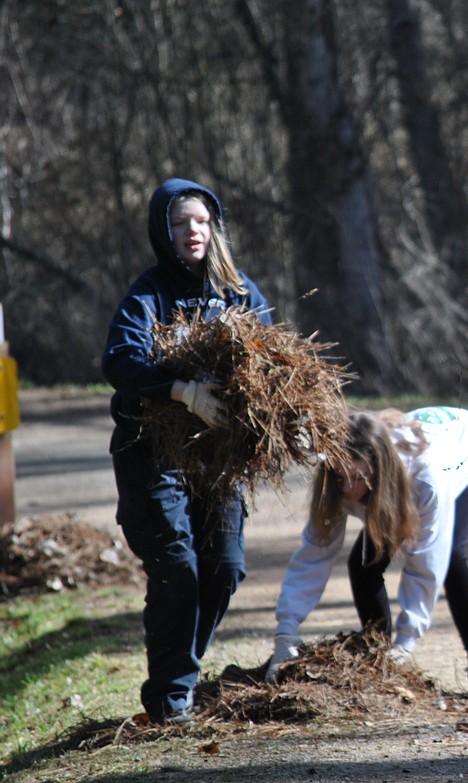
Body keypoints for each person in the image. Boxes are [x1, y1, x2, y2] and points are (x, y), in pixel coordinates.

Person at [102, 178, 273, 724]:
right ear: (163, 232)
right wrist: (181, 391)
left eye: (200, 221)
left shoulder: (239, 291)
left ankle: (182, 670)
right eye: (179, 223)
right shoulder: (147, 294)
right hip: (151, 449)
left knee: (224, 567)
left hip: (215, 454)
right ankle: (172, 694)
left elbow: (271, 356)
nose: (192, 232)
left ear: (214, 226)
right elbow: (118, 361)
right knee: (177, 564)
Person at [266, 406, 468, 703]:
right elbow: (314, 554)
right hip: (400, 478)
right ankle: (378, 658)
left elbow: (426, 563)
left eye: (356, 477)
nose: (348, 488)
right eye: (341, 477)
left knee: (452, 555)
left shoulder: (426, 478)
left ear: (377, 466)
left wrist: (406, 643)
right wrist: (286, 633)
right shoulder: (338, 478)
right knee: (363, 563)